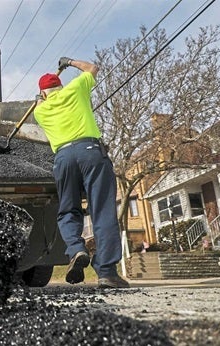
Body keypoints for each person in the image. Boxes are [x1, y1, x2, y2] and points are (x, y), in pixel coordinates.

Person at [33, 57, 129, 289]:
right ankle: (106, 273)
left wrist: (40, 99)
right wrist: (70, 62)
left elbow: (38, 104)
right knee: (102, 211)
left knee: (68, 210)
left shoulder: (41, 112)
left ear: (44, 94)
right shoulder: (76, 88)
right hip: (90, 152)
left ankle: (76, 249)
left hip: (63, 158)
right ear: (61, 87)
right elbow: (93, 68)